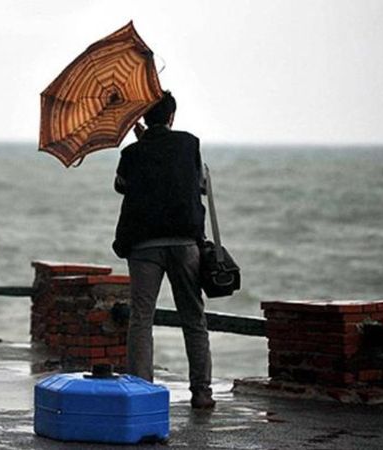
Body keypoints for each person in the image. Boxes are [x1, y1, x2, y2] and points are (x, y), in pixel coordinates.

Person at [112, 91, 215, 409]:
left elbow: (121, 186)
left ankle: (142, 390)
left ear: (143, 118)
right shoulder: (189, 144)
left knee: (141, 318)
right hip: (184, 243)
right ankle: (201, 392)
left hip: (143, 246)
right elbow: (198, 185)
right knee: (193, 317)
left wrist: (142, 146)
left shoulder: (132, 153)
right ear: (171, 116)